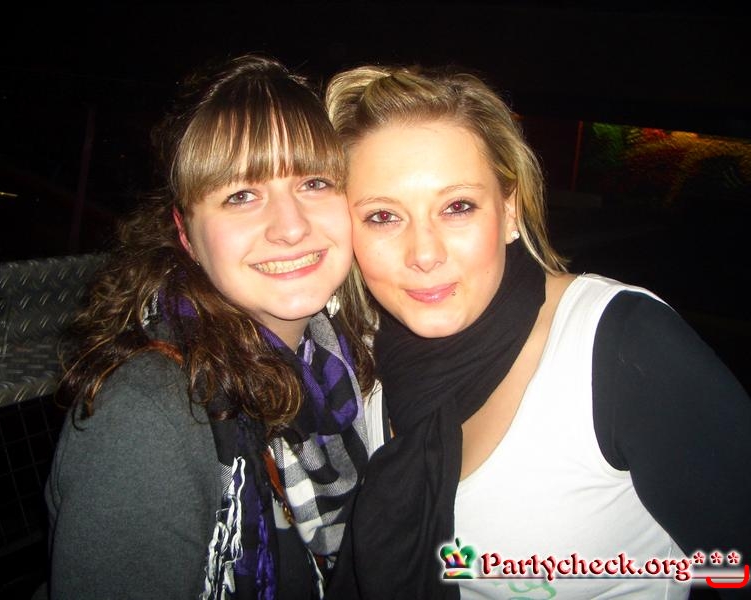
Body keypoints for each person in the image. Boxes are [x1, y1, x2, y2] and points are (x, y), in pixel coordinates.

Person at [323, 63, 751, 599]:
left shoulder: (622, 346)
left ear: (509, 211)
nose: (424, 254)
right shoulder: (358, 357)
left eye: (457, 207)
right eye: (383, 216)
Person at [39, 54, 383, 600]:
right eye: (240, 195)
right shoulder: (148, 417)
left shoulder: (356, 358)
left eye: (315, 182)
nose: (290, 227)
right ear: (185, 234)